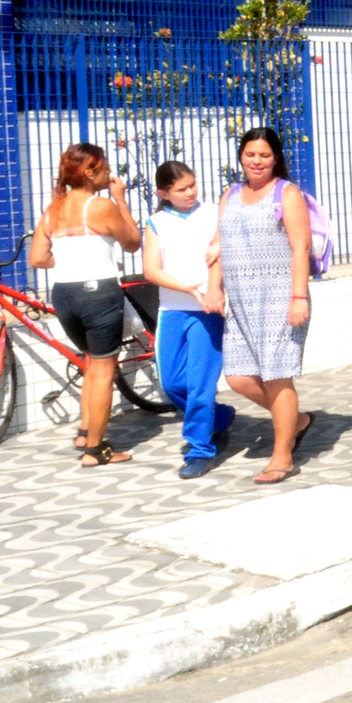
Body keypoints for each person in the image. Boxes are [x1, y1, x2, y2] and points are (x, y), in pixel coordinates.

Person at [208, 127, 315, 484]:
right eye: (250, 154)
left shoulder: (287, 193)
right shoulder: (230, 195)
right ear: (241, 156)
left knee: (276, 376)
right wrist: (214, 287)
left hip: (279, 299)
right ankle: (295, 420)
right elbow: (217, 247)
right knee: (238, 376)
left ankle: (282, 455)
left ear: (276, 158)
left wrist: (298, 297)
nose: (257, 161)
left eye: (265, 155)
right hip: (241, 302)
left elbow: (301, 248)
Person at [26, 143, 143, 467]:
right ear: (90, 172)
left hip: (64, 293)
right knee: (104, 369)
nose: (109, 172)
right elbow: (132, 242)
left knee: (91, 363)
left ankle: (84, 432)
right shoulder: (101, 206)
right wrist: (121, 200)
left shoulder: (54, 209)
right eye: (105, 167)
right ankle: (95, 449)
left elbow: (38, 258)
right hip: (98, 293)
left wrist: (69, 261)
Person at [141, 160, 232, 479]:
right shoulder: (155, 223)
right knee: (172, 383)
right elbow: (151, 270)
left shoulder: (212, 214)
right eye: (181, 189)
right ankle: (220, 417)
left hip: (207, 310)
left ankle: (200, 449)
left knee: (200, 384)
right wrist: (187, 288)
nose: (190, 192)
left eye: (192, 185)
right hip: (172, 311)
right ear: (163, 193)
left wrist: (211, 290)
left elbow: (218, 256)